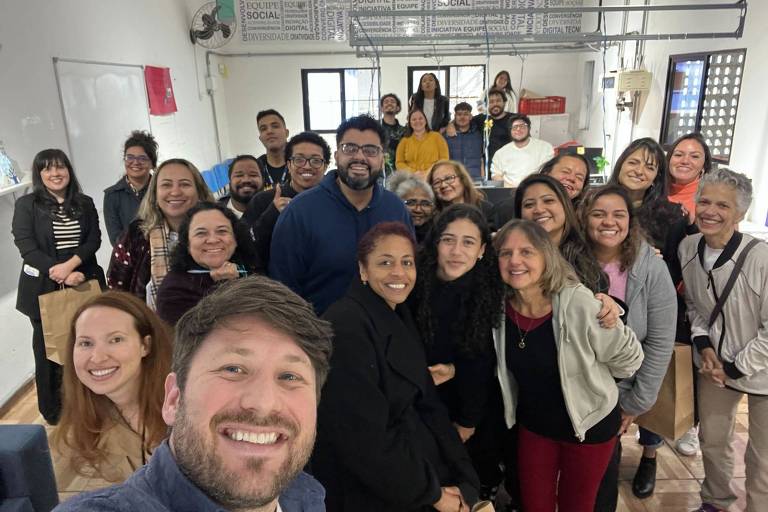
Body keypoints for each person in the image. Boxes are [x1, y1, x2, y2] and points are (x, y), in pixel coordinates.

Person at [55, 276, 333, 512]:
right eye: (233, 369)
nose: (262, 403)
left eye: (289, 376)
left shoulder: (306, 496)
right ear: (174, 398)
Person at [314, 222, 481, 511]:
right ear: (363, 270)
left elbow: (430, 403)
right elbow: (364, 441)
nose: (399, 273)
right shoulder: (346, 326)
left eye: (407, 262)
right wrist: (435, 495)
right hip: (374, 488)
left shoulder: (399, 313)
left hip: (414, 471)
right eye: (385, 262)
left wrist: (466, 478)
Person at [492, 219, 644, 512]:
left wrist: (596, 378)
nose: (515, 261)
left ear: (546, 257)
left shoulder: (577, 302)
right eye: (505, 253)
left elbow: (630, 360)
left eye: (527, 251)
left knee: (578, 506)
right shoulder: (498, 308)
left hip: (588, 427)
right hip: (535, 428)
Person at [579, 186, 677, 508]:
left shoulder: (651, 268)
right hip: (571, 388)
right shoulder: (568, 260)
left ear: (630, 221)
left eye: (618, 214)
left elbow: (661, 342)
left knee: (601, 478)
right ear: (583, 218)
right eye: (599, 213)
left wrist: (636, 402)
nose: (609, 222)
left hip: (617, 395)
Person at [679, 168, 768, 512]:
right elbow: (695, 305)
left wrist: (734, 365)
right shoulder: (689, 248)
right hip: (714, 367)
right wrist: (705, 347)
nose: (710, 211)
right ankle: (715, 501)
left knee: (762, 456)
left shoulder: (760, 258)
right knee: (713, 441)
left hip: (758, 370)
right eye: (704, 201)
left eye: (723, 205)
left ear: (740, 213)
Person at [269, 114, 412, 314]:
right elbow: (283, 290)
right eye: (350, 148)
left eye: (370, 150)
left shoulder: (395, 208)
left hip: (384, 334)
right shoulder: (300, 212)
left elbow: (407, 272)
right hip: (321, 336)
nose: (360, 157)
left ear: (382, 158)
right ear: (336, 156)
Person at [409, 205, 504, 497]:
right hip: (418, 400)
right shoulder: (412, 284)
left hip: (472, 407)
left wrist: (467, 421)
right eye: (448, 239)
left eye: (468, 242)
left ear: (482, 250)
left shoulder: (491, 289)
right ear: (436, 242)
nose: (456, 250)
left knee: (471, 478)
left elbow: (484, 363)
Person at [13, 149, 107, 425]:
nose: (55, 173)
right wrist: (63, 274)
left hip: (84, 282)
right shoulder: (28, 205)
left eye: (60, 167)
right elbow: (26, 245)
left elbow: (94, 240)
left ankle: (93, 402)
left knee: (90, 345)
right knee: (49, 352)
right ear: (40, 174)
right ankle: (54, 411)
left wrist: (73, 265)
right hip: (44, 287)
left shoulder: (84, 202)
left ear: (69, 170)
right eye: (47, 169)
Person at [51, 291, 172, 483]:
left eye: (116, 339)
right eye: (86, 343)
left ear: (145, 346)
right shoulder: (78, 432)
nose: (98, 357)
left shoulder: (188, 410)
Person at [107, 158, 214, 305]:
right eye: (166, 185)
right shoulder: (135, 235)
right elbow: (117, 292)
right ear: (155, 194)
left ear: (199, 192)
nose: (175, 192)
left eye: (184, 184)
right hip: (152, 325)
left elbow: (245, 272)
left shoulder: (221, 230)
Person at [156, 202, 259, 325]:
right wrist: (226, 285)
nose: (213, 240)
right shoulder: (173, 291)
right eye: (201, 233)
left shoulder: (246, 269)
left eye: (222, 231)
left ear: (236, 239)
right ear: (187, 244)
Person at [244, 132, 330, 267]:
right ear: (289, 165)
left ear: (325, 166)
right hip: (275, 283)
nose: (307, 166)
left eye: (315, 160)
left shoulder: (334, 201)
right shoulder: (263, 200)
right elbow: (245, 248)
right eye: (299, 159)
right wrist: (272, 213)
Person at [514, 174, 608, 294]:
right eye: (529, 205)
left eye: (548, 201)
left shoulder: (588, 258)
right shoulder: (510, 259)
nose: (539, 209)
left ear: (565, 206)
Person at [104, 130, 158, 245]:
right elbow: (116, 240)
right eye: (130, 157)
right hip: (130, 259)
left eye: (142, 158)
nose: (135, 162)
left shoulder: (161, 190)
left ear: (152, 163)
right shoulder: (112, 195)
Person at [446, 88, 513, 163]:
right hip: (488, 166)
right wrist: (450, 124)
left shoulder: (514, 120)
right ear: (486, 105)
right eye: (491, 102)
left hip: (509, 163)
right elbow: (464, 119)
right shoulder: (481, 119)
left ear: (504, 102)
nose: (495, 104)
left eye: (498, 101)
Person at [491, 114, 554, 188]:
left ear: (529, 128)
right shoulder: (500, 153)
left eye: (522, 126)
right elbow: (496, 175)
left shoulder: (545, 147)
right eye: (514, 127)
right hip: (508, 192)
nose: (518, 129)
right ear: (510, 131)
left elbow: (549, 172)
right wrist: (512, 189)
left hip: (536, 189)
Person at [426, 160, 495, 228]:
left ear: (463, 179)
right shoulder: (431, 217)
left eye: (449, 178)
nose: (443, 185)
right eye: (437, 182)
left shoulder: (486, 210)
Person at [667, 132, 712, 223]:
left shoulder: (713, 198)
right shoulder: (654, 192)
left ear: (704, 165)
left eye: (694, 156)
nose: (685, 161)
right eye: (678, 155)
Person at [395, 109, 449, 179]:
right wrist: (413, 173)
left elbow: (444, 158)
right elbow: (399, 162)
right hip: (411, 179)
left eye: (420, 118)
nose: (417, 121)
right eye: (414, 119)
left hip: (434, 177)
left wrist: (428, 172)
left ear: (425, 121)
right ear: (410, 123)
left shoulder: (437, 137)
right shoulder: (404, 141)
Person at [388, 171, 436, 245]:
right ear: (397, 204)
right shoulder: (387, 234)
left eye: (425, 203)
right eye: (411, 203)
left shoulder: (438, 234)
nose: (418, 210)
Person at [444, 102, 484, 180]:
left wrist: (483, 177)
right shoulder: (446, 136)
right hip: (454, 179)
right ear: (455, 116)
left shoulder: (479, 134)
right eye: (459, 114)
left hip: (475, 179)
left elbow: (482, 158)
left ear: (471, 116)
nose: (462, 117)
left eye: (466, 114)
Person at [256, 109, 290, 189]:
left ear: (286, 133)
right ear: (260, 138)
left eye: (275, 126)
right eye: (263, 129)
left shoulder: (301, 164)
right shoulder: (256, 168)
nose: (269, 131)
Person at [379, 93, 406, 177]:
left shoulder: (404, 131)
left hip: (399, 175)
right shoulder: (375, 128)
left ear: (398, 108)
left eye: (392, 101)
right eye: (386, 102)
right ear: (382, 108)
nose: (389, 103)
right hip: (379, 175)